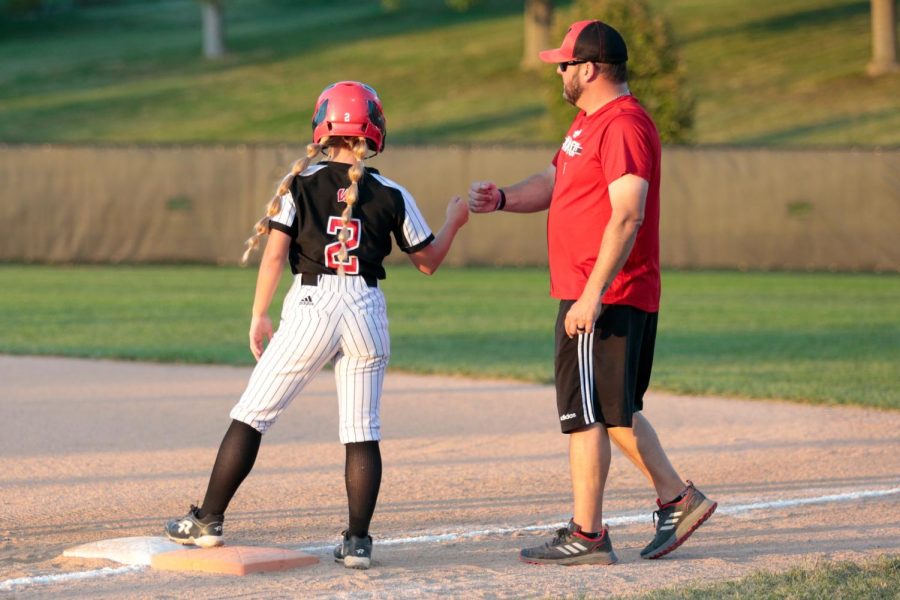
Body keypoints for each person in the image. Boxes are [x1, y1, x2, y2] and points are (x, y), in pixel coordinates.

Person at [165, 81, 469, 570]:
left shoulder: (299, 184)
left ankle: (208, 520)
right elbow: (428, 262)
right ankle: (357, 542)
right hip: (367, 307)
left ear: (322, 127)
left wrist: (259, 313)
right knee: (361, 429)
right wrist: (455, 220)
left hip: (313, 303)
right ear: (374, 129)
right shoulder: (391, 192)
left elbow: (274, 257)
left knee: (253, 414)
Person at [468, 20, 715, 565]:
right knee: (610, 411)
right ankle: (651, 509)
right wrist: (504, 197)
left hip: (605, 292)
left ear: (591, 68)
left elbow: (627, 215)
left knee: (593, 414)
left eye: (565, 63)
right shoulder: (589, 124)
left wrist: (592, 293)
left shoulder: (623, 124)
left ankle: (613, 523)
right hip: (596, 290)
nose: (560, 71)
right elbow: (555, 183)